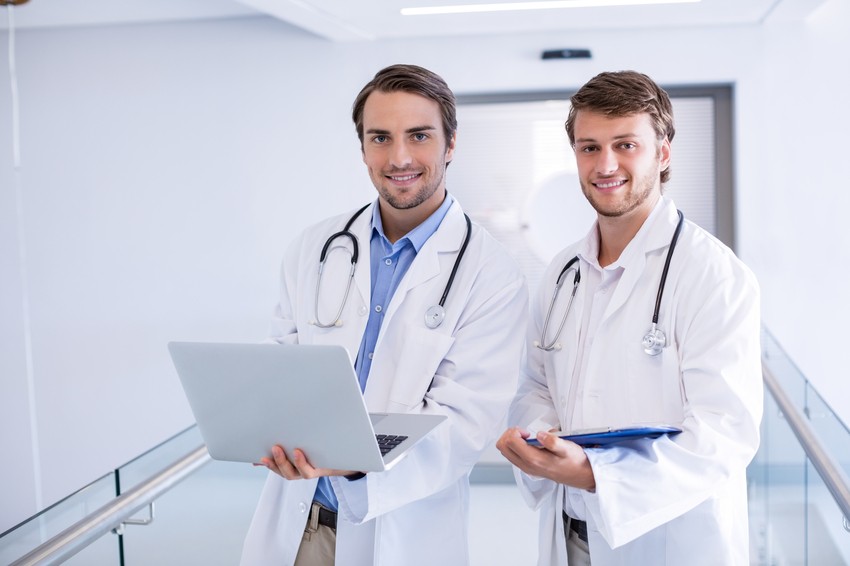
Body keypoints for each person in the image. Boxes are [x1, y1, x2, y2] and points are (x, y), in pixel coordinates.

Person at [239, 64, 528, 566]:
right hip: (299, 522)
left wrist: (353, 467)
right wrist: (266, 428)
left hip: (403, 532)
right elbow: (281, 360)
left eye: (419, 136)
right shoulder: (315, 247)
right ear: (363, 148)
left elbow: (463, 425)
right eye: (380, 138)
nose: (398, 158)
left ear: (450, 144)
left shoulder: (492, 273)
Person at [496, 70, 762, 565]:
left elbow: (724, 434)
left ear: (662, 153)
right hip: (572, 531)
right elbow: (535, 385)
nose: (606, 164)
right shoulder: (562, 272)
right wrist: (540, 439)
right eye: (589, 147)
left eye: (625, 145)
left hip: (665, 539)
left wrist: (597, 474)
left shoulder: (713, 274)